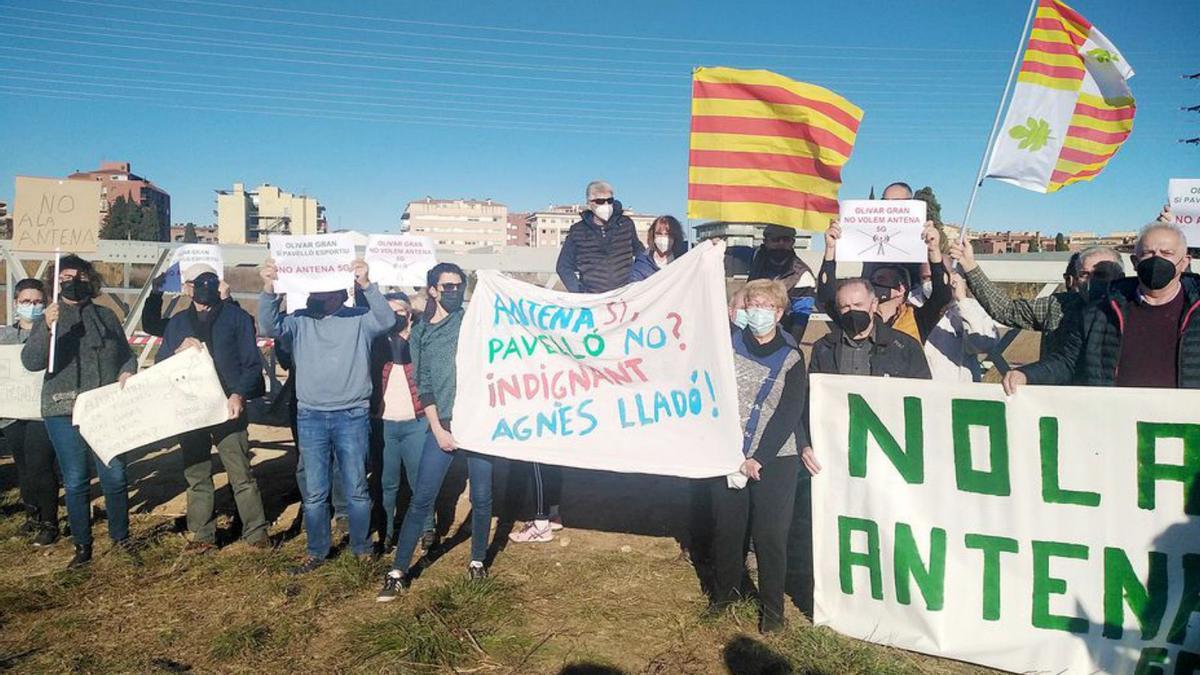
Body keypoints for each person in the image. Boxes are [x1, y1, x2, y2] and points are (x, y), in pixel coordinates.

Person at [258, 259, 394, 574]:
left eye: (321, 291)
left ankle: (361, 548)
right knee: (315, 491)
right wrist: (269, 288)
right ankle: (317, 551)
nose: (314, 296)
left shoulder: (360, 319)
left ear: (336, 293)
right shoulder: (299, 320)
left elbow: (387, 320)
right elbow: (268, 327)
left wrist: (366, 284)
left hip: (352, 415)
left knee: (356, 487)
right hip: (311, 415)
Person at [378, 263, 497, 600]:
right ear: (432, 290)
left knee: (482, 497)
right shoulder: (421, 333)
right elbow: (423, 384)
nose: (453, 290)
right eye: (446, 286)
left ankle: (477, 560)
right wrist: (437, 428)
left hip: (478, 422)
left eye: (459, 285)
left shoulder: (472, 321)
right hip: (442, 424)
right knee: (422, 498)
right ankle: (399, 569)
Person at [707, 279, 810, 633]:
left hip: (775, 456)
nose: (758, 312)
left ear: (779, 313)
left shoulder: (792, 356)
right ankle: (724, 596)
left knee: (769, 536)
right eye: (752, 305)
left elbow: (789, 412)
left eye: (766, 307)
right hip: (728, 452)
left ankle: (773, 612)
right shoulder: (727, 346)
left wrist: (759, 457)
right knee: (727, 529)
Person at [22, 255, 137, 568]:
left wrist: (128, 370)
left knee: (115, 475)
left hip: (104, 408)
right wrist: (46, 327)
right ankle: (83, 546)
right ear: (56, 282)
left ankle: (120, 538)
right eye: (66, 276)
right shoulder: (49, 318)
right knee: (75, 480)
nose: (73, 281)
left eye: (80, 276)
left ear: (90, 280)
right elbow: (32, 361)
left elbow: (127, 354)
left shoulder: (106, 316)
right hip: (62, 409)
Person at [1004, 223, 1200, 392]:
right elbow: (1067, 361)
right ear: (1134, 262)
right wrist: (1026, 375)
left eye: (1167, 253)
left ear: (1184, 263)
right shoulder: (1101, 310)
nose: (1156, 259)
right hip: (1115, 421)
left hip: (1185, 425)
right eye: (1148, 253)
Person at [157, 267, 269, 552]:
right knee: (197, 475)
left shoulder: (237, 318)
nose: (205, 288)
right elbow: (160, 367)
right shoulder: (177, 324)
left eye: (211, 282)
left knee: (240, 473)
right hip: (192, 410)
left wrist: (238, 394)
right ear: (187, 288)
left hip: (227, 408)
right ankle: (203, 534)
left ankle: (256, 533)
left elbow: (252, 364)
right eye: (199, 283)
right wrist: (175, 353)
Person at [950, 241, 1124, 359]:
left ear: (1120, 276)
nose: (1092, 281)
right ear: (1076, 279)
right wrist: (970, 265)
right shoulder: (1057, 306)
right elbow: (1006, 310)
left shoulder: (1134, 310)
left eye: (1101, 274)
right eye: (1084, 274)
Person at [370, 291, 435, 550]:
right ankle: (386, 531)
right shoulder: (377, 342)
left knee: (420, 478)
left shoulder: (421, 339)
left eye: (399, 312)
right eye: (388, 313)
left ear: (409, 314)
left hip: (415, 421)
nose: (393, 318)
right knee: (387, 481)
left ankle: (427, 527)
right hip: (384, 422)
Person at [818, 218, 950, 344]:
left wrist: (933, 250)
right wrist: (830, 250)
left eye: (881, 279)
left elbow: (942, 296)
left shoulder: (917, 318)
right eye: (873, 279)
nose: (875, 283)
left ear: (901, 289)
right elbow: (827, 296)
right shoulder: (856, 319)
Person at [0, 279, 60, 546]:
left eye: (37, 302)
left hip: (39, 411)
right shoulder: (3, 337)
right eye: (26, 301)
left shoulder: (52, 333)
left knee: (40, 464)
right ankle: (31, 515)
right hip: (12, 410)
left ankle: (50, 522)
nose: (32, 306)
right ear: (16, 303)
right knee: (23, 466)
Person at [809, 277, 934, 380]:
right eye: (845, 307)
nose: (852, 311)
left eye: (858, 305)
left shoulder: (906, 347)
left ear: (874, 304)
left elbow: (921, 392)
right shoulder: (823, 348)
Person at [556, 180, 646, 294]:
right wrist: (580, 292)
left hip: (625, 294)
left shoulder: (626, 224)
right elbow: (563, 266)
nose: (606, 205)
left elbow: (640, 252)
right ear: (589, 204)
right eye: (600, 201)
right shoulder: (577, 231)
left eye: (609, 200)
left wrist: (637, 280)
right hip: (593, 298)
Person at [923, 266, 1003, 382]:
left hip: (958, 392)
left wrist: (962, 300)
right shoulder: (910, 307)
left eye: (938, 275)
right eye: (926, 278)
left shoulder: (971, 309)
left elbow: (984, 344)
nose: (933, 281)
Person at [747, 224, 818, 344]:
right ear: (765, 242)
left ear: (793, 242)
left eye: (786, 239)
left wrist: (792, 345)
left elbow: (801, 315)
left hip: (780, 336)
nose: (781, 243)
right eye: (775, 239)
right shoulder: (755, 258)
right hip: (748, 328)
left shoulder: (803, 276)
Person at [630, 215, 687, 282]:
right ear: (653, 236)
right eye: (659, 234)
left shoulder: (684, 259)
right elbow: (634, 284)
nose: (663, 238)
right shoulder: (642, 264)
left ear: (676, 236)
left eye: (668, 234)